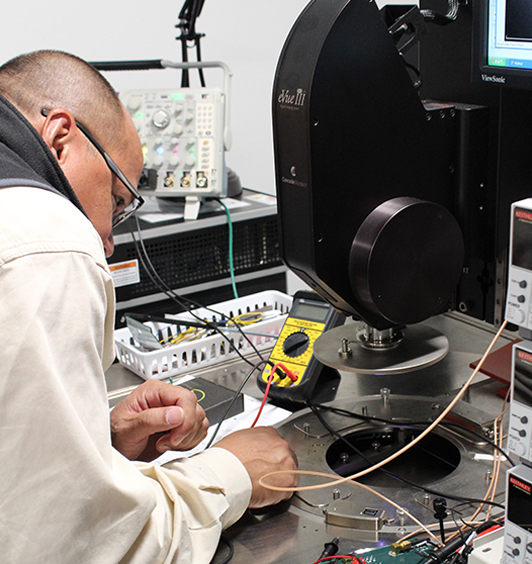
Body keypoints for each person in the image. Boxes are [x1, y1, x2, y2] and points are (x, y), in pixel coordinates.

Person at [0, 50, 298, 564]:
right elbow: (71, 545)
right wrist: (229, 476)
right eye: (118, 200)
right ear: (60, 137)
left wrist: (99, 439)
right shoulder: (47, 243)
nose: (109, 241)